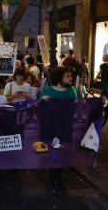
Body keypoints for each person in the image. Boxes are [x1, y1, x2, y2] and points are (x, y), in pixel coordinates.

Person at [39, 66, 81, 194]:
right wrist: (42, 102)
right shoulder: (48, 92)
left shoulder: (73, 90)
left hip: (67, 129)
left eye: (71, 76)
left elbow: (83, 105)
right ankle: (55, 179)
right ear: (59, 78)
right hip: (51, 130)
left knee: (64, 153)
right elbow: (36, 111)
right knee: (55, 153)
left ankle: (57, 176)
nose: (71, 78)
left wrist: (99, 102)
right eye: (67, 76)